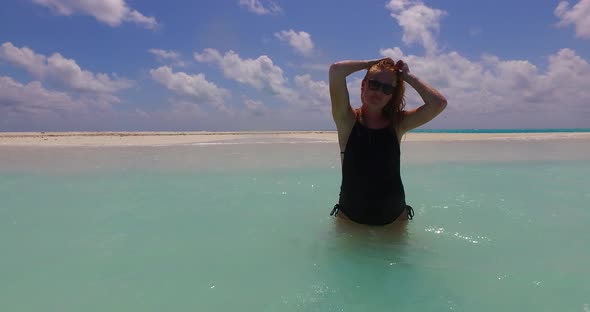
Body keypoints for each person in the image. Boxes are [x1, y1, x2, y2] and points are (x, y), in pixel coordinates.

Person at [329, 57, 447, 226]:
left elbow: (439, 103)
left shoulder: (398, 123)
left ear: (392, 95)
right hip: (350, 219)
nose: (378, 92)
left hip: (394, 220)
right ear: (363, 86)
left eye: (387, 88)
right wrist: (369, 64)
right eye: (374, 84)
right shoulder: (346, 120)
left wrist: (407, 76)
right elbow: (336, 70)